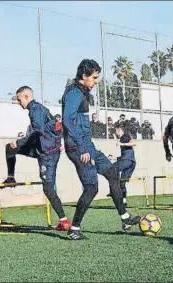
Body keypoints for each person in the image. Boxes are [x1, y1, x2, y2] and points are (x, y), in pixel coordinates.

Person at [62, 59, 140, 240]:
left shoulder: (82, 92)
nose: (96, 81)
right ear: (84, 76)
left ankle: (125, 218)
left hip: (88, 146)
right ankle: (74, 229)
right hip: (78, 147)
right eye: (94, 78)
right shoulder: (74, 93)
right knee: (91, 187)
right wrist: (82, 148)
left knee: (113, 173)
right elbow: (67, 121)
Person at [3, 86, 72, 231]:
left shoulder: (35, 109)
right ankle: (10, 177)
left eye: (19, 99)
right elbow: (51, 128)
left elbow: (37, 131)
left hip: (48, 154)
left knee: (48, 187)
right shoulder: (37, 109)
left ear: (27, 96)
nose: (18, 102)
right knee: (10, 148)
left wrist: (20, 142)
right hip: (40, 148)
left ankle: (64, 221)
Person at [110, 124, 137, 207]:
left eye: (116, 131)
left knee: (111, 169)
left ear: (119, 130)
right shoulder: (122, 139)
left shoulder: (125, 136)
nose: (115, 133)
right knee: (122, 182)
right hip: (131, 163)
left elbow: (134, 143)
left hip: (127, 161)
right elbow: (124, 156)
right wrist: (114, 158)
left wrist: (122, 144)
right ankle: (124, 202)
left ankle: (113, 191)